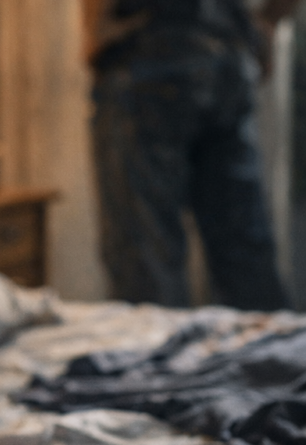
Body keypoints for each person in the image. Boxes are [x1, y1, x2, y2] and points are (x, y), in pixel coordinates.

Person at [82, 0, 300, 310]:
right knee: (246, 261)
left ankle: (161, 339)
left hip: (143, 51)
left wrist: (94, 28)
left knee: (147, 268)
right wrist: (268, 21)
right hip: (227, 55)